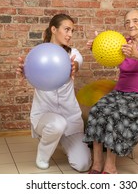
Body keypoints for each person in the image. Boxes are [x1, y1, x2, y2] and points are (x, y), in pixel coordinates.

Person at [83, 9, 138, 174]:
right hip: (121, 92)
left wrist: (133, 53)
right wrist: (95, 46)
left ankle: (110, 167)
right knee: (98, 109)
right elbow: (107, 54)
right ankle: (97, 163)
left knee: (115, 114)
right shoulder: (121, 42)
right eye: (127, 22)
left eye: (135, 21)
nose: (131, 24)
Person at [16, 14, 91, 172]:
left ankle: (63, 141)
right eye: (66, 29)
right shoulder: (38, 55)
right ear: (53, 29)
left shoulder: (73, 54)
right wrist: (25, 72)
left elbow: (76, 64)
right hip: (45, 117)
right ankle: (43, 156)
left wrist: (73, 67)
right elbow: (29, 70)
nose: (70, 34)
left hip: (70, 118)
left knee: (83, 164)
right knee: (57, 124)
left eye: (72, 31)